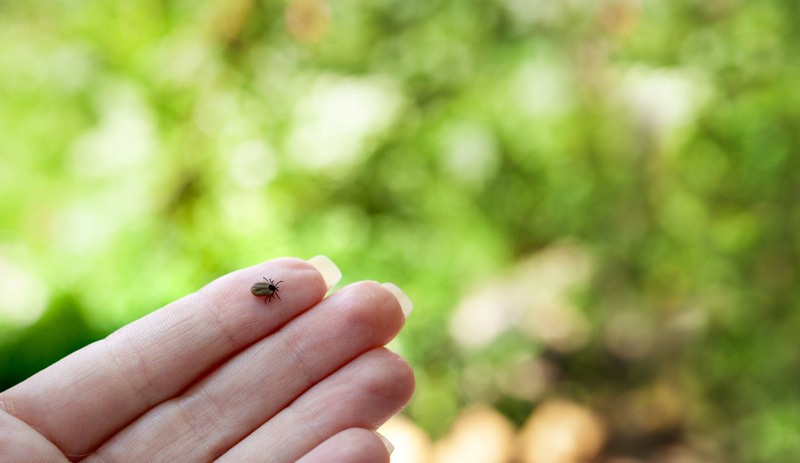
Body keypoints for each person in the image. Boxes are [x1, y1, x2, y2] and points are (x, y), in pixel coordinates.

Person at [0, 256, 415, 462]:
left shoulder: (265, 290)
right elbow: (263, 290)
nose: (270, 290)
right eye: (271, 289)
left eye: (270, 290)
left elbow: (262, 289)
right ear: (270, 289)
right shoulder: (268, 292)